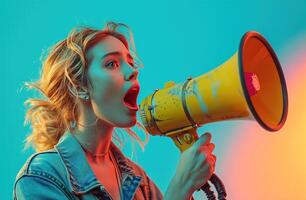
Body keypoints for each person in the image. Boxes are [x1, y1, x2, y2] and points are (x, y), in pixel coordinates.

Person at [13, 21, 216, 200]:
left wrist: (188, 186)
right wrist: (180, 188)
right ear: (78, 87)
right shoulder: (41, 177)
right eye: (112, 64)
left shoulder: (139, 180)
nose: (133, 71)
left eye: (130, 63)